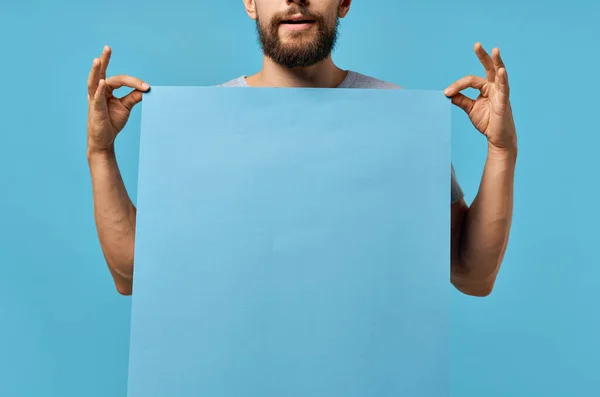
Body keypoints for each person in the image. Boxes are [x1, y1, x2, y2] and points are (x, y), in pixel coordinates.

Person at [86, 0, 517, 297]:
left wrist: (501, 151)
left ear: (344, 1)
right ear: (250, 1)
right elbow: (132, 275)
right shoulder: (203, 124)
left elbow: (471, 274)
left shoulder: (397, 117)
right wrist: (100, 154)